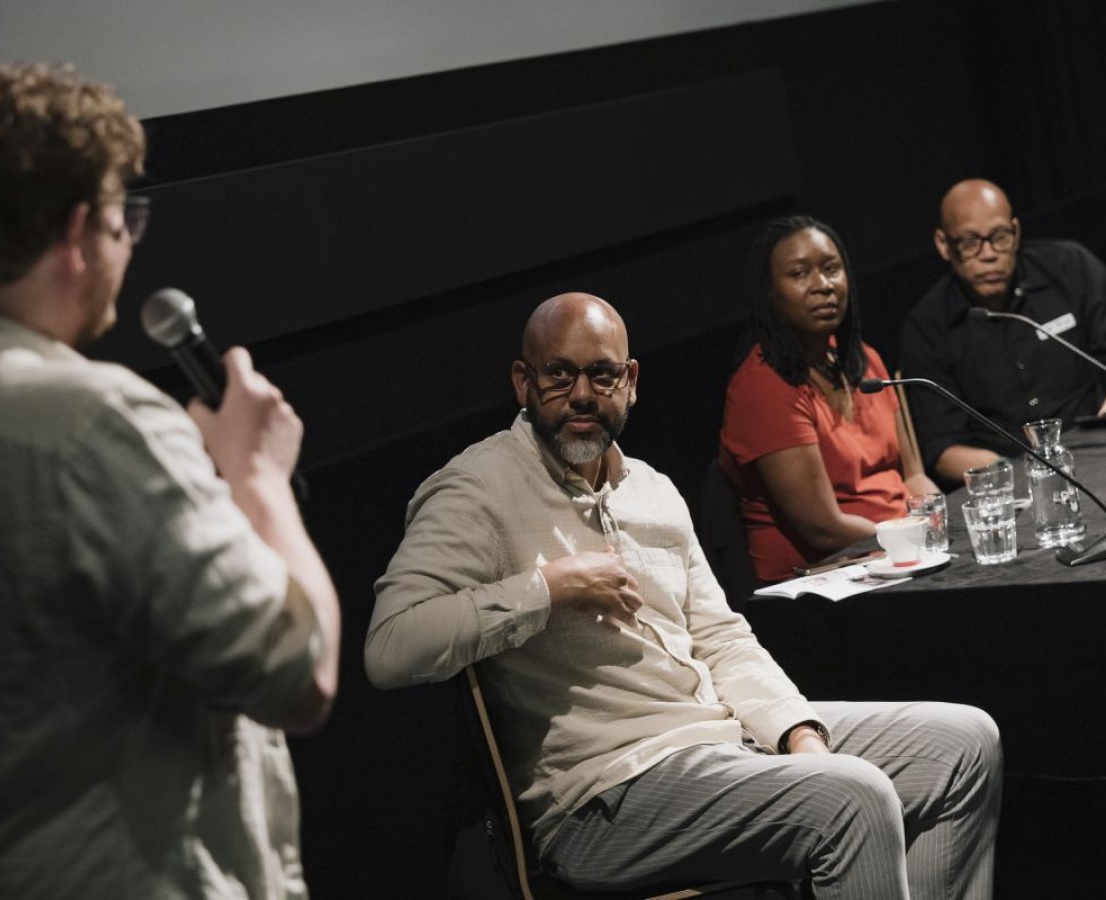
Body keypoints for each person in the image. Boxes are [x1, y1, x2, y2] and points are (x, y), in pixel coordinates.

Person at [367, 292, 1001, 899]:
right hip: (605, 793)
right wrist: (545, 588)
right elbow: (391, 647)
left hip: (719, 741)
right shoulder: (476, 490)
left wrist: (796, 731)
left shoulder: (651, 488)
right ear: (522, 382)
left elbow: (722, 637)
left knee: (962, 744)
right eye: (559, 375)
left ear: (632, 380)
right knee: (852, 797)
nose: (582, 394)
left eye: (602, 374)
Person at [0, 63, 340, 898]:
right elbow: (301, 668)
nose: (128, 240)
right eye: (122, 216)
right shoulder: (95, 420)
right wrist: (257, 475)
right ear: (77, 231)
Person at [718, 216, 938, 583]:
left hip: (899, 552)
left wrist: (941, 524)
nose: (823, 285)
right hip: (826, 576)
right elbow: (822, 527)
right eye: (799, 274)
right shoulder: (763, 387)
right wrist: (911, 539)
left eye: (831, 269)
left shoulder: (863, 359)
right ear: (770, 291)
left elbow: (913, 477)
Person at [899, 178, 1106, 485]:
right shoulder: (927, 328)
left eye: (999, 237)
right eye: (970, 243)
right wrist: (1029, 474)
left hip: (1096, 449)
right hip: (1010, 480)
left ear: (1016, 231)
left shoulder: (1070, 267)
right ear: (944, 245)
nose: (988, 254)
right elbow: (943, 451)